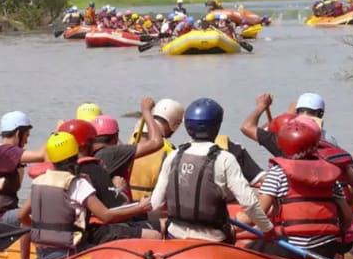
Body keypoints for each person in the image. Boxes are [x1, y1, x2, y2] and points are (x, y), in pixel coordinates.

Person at [18, 132, 156, 259]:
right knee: (115, 254)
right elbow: (106, 215)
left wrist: (35, 240)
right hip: (69, 255)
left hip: (43, 254)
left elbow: (21, 216)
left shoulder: (39, 182)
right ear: (75, 154)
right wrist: (140, 208)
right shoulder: (77, 184)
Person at [150, 97, 273, 242]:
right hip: (213, 239)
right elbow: (250, 204)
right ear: (216, 126)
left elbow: (156, 204)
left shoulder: (173, 156)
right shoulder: (225, 159)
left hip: (174, 235)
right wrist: (268, 229)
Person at [248, 117, 353, 259]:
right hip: (325, 248)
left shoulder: (278, 173)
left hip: (290, 248)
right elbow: (347, 218)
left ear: (282, 145)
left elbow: (258, 214)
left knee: (250, 248)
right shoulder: (330, 175)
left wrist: (234, 225)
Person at [0, 111, 47, 225]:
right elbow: (41, 155)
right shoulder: (6, 152)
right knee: (40, 214)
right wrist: (57, 134)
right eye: (26, 135)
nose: (27, 141)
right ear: (18, 133)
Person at [92, 96, 163, 185]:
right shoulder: (113, 152)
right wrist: (146, 111)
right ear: (115, 137)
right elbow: (156, 142)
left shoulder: (88, 152)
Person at [129, 98, 185, 201]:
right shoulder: (169, 151)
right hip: (149, 208)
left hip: (126, 203)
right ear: (175, 124)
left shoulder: (132, 140)